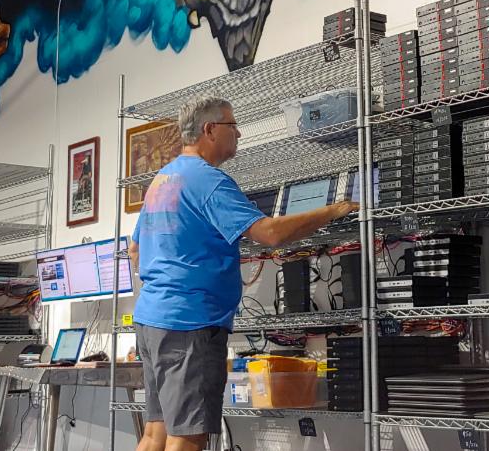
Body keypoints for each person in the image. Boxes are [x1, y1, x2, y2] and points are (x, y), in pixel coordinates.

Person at [128, 95, 358, 451]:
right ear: (209, 130)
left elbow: (135, 249)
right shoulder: (208, 180)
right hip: (189, 324)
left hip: (152, 320)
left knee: (154, 435)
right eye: (232, 126)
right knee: (186, 438)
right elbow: (270, 233)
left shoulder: (163, 179)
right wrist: (334, 210)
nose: (238, 133)